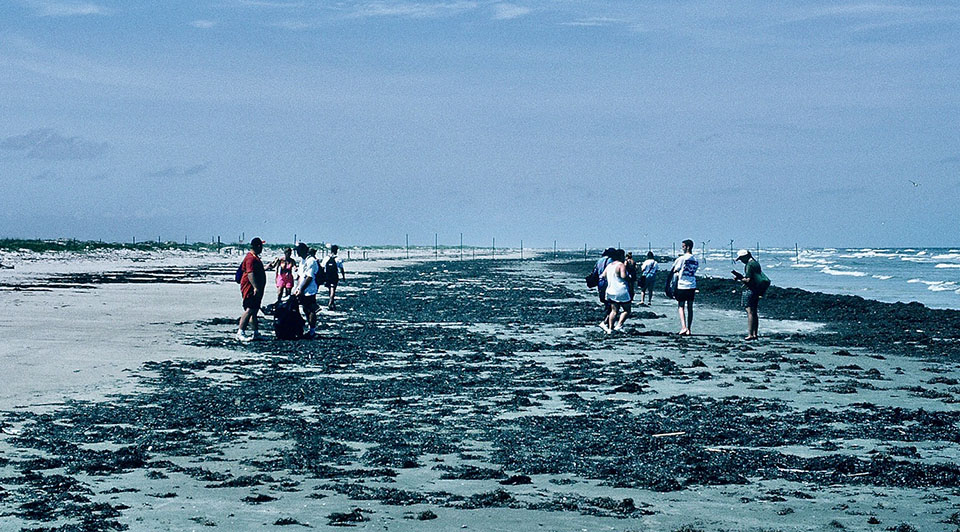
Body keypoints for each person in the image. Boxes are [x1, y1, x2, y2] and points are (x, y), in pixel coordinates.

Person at [734, 249, 769, 341]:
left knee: (750, 312)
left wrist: (740, 278)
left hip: (749, 289)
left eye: (741, 258)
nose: (741, 261)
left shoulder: (749, 265)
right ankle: (755, 334)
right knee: (754, 312)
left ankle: (750, 334)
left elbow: (748, 280)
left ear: (746, 256)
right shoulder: (756, 263)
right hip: (757, 289)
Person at [237, 237, 267, 342]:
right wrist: (255, 287)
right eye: (261, 246)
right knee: (249, 309)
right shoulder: (250, 258)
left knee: (254, 310)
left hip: (256, 288)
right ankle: (240, 332)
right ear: (258, 246)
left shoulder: (255, 257)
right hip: (249, 288)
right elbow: (250, 274)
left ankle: (255, 332)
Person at [670, 239, 699, 336]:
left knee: (681, 306)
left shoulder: (682, 259)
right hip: (692, 285)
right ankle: (689, 329)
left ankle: (683, 327)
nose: (682, 248)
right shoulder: (695, 259)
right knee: (690, 307)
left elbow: (675, 269)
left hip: (682, 284)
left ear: (687, 247)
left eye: (683, 246)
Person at [293, 242, 320, 338]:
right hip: (302, 289)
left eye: (298, 251)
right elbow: (300, 276)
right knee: (305, 309)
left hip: (310, 289)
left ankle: (312, 331)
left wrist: (301, 288)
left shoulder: (311, 261)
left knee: (311, 309)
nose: (297, 253)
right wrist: (297, 288)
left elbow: (309, 277)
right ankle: (309, 328)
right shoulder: (302, 261)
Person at [601, 249, 631, 333]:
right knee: (627, 310)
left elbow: (603, 275)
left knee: (614, 310)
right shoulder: (621, 265)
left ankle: (610, 329)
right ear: (620, 256)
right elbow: (623, 276)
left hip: (610, 290)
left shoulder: (609, 265)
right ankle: (619, 325)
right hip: (620, 290)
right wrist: (630, 278)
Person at [591, 248, 616, 326]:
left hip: (600, 281)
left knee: (603, 298)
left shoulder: (600, 260)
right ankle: (607, 317)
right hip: (608, 282)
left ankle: (607, 314)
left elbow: (595, 270)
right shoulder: (611, 261)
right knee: (610, 300)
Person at [321, 245, 346, 310]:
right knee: (333, 290)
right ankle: (330, 303)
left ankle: (332, 303)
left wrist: (322, 276)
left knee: (330, 289)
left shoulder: (326, 258)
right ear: (336, 251)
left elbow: (322, 267)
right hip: (334, 276)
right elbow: (341, 269)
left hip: (327, 276)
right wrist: (343, 277)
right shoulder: (338, 259)